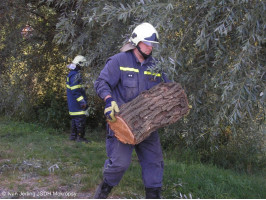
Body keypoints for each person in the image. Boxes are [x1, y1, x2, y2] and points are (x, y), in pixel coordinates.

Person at [94, 22, 170, 199]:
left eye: (153, 45)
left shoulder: (156, 67)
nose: (150, 48)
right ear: (136, 41)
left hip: (148, 126)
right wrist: (108, 100)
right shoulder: (119, 61)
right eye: (147, 43)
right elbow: (101, 82)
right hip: (123, 125)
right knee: (119, 164)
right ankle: (101, 194)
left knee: (154, 163)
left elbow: (167, 89)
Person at [66, 55, 89, 143]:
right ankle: (80, 138)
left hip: (73, 103)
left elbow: (77, 88)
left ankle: (73, 137)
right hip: (76, 104)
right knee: (80, 120)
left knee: (75, 120)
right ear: (79, 64)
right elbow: (75, 90)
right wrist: (82, 102)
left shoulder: (72, 74)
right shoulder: (75, 75)